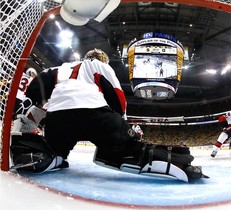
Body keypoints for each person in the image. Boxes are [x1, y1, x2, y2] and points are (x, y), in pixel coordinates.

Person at [10, 48, 208, 181]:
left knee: (56, 152)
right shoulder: (100, 65)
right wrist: (121, 129)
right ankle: (179, 166)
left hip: (58, 117)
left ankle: (46, 156)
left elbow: (35, 89)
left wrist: (33, 114)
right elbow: (118, 98)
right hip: (94, 113)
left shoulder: (59, 68)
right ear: (101, 60)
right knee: (132, 150)